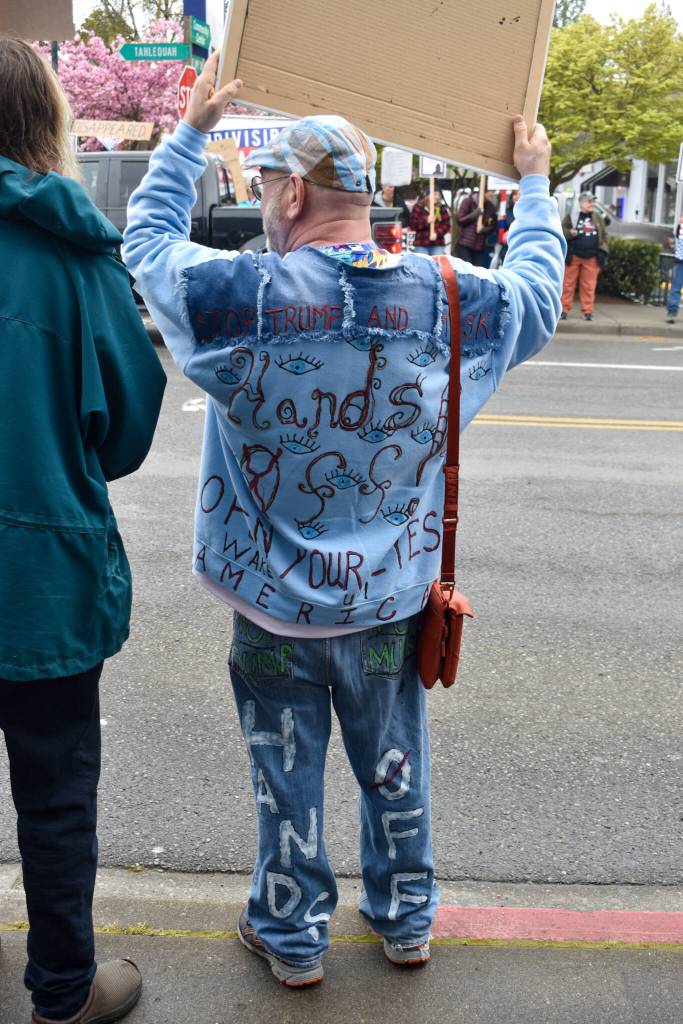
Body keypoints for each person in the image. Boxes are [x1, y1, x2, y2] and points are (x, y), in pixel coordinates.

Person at [123, 50, 564, 990]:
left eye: (269, 181)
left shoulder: (238, 296)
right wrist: (532, 184)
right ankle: (405, 919)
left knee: (286, 780)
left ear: (287, 200)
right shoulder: (449, 296)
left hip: (270, 609)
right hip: (390, 604)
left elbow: (146, 243)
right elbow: (534, 293)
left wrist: (192, 129)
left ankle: (291, 941)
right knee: (394, 763)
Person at [0, 37, 166, 1024]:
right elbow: (129, 429)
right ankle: (63, 989)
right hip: (44, 581)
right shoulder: (75, 258)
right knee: (55, 795)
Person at [560, 190, 609, 321]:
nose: (591, 203)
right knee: (568, 284)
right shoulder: (571, 216)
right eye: (589, 201)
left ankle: (587, 311)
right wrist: (570, 232)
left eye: (593, 201)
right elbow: (561, 231)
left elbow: (604, 235)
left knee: (589, 285)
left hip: (592, 256)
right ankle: (564, 309)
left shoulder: (597, 217)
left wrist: (603, 250)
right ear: (581, 203)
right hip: (574, 255)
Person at [455, 187, 498, 266]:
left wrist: (483, 229)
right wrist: (474, 214)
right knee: (466, 271)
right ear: (484, 192)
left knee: (478, 273)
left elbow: (493, 226)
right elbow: (460, 220)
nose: (493, 194)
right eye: (491, 191)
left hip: (479, 247)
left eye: (493, 191)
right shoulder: (468, 201)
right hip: (464, 245)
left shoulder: (491, 207)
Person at [409, 189, 451, 254]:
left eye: (439, 195)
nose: (437, 197)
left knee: (437, 263)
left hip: (437, 244)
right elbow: (413, 225)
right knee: (422, 263)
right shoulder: (418, 207)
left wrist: (437, 233)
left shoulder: (442, 208)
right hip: (421, 243)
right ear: (428, 196)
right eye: (435, 194)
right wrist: (426, 221)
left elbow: (446, 225)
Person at [665, 214, 683, 323]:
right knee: (676, 287)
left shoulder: (680, 225)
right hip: (680, 259)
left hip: (680, 259)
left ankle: (672, 312)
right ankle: (672, 311)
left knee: (676, 287)